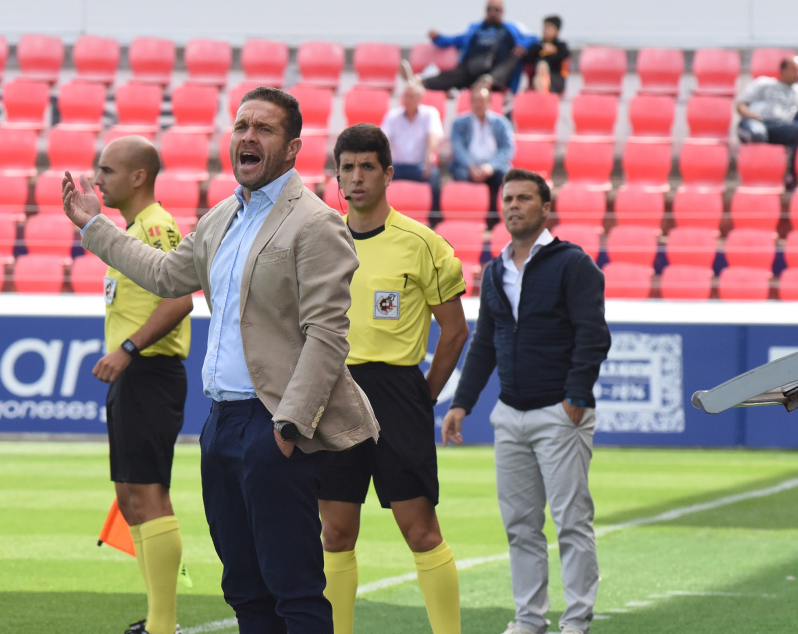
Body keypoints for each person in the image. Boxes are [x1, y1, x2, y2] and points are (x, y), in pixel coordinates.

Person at [63, 86, 380, 634]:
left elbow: (327, 336)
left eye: (264, 129)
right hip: (221, 423)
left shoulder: (316, 222)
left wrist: (289, 425)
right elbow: (166, 276)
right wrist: (96, 227)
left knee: (294, 588)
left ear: (292, 148)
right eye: (241, 127)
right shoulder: (222, 217)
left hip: (274, 423)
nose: (248, 137)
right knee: (244, 589)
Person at [441, 169, 611, 634]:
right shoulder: (495, 270)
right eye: (508, 199)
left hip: (560, 414)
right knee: (520, 526)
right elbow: (485, 344)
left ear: (545, 207)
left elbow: (593, 337)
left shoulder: (573, 264)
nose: (513, 205)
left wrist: (575, 398)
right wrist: (462, 404)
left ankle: (576, 622)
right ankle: (529, 620)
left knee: (571, 522)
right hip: (509, 415)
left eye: (523, 198)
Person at [319, 124, 469, 634]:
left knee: (421, 530)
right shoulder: (320, 239)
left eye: (367, 167)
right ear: (337, 176)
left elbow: (454, 332)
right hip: (334, 391)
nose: (356, 178)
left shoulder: (422, 244)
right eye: (347, 168)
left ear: (387, 174)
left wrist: (420, 397)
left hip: (396, 391)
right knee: (335, 532)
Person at [88, 136, 193, 634]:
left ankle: (162, 625)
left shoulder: (157, 226)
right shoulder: (132, 228)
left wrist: (127, 350)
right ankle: (156, 618)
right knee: (130, 495)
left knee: (148, 494)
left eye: (106, 170)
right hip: (136, 375)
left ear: (137, 177)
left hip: (150, 372)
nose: (97, 179)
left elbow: (179, 300)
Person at [424, 0, 537, 94]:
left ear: (503, 11)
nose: (492, 12)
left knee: (513, 57)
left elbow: (533, 37)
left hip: (498, 76)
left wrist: (523, 44)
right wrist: (437, 37)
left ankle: (488, 81)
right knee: (453, 74)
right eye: (489, 9)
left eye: (496, 9)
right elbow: (453, 40)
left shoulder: (513, 28)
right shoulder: (474, 29)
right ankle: (420, 83)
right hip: (473, 69)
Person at [449, 86, 515, 216]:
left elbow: (508, 149)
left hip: (493, 166)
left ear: (489, 103)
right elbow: (457, 147)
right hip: (468, 166)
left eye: (482, 101)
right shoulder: (459, 123)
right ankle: (466, 215)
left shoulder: (501, 123)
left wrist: (490, 166)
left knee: (507, 176)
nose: (478, 104)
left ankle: (498, 217)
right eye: (475, 101)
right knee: (460, 173)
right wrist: (470, 165)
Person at [736, 56, 798, 191]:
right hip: (754, 123)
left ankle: (790, 177)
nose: (796, 74)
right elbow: (741, 105)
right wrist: (749, 115)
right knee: (757, 134)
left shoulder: (796, 91)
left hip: (780, 127)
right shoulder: (763, 83)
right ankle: (750, 176)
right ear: (783, 70)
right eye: (794, 70)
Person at [380, 81, 443, 209]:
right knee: (376, 176)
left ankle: (433, 217)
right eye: (406, 96)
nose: (407, 100)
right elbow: (382, 140)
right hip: (396, 167)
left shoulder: (430, 113)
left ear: (420, 98)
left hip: (420, 166)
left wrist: (429, 156)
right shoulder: (393, 115)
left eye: (411, 96)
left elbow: (434, 135)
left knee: (435, 176)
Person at [524, 15, 570, 94]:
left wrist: (553, 51)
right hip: (537, 78)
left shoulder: (560, 46)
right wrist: (542, 49)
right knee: (540, 71)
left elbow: (565, 55)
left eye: (549, 28)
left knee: (542, 72)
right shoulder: (538, 46)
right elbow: (526, 58)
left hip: (554, 79)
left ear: (557, 30)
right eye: (544, 27)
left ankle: (543, 93)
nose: (545, 30)